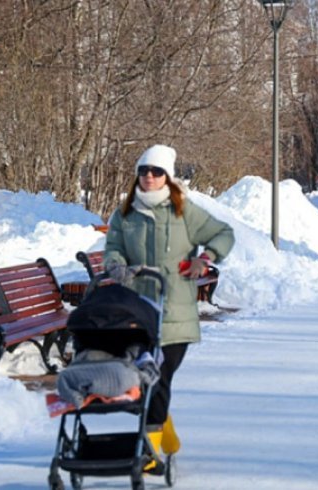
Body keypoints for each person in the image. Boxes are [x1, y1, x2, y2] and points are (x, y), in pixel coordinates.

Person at [104, 144, 235, 467]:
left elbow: (223, 234)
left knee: (160, 377)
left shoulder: (183, 211)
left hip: (175, 311)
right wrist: (117, 265)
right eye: (144, 171)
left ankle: (148, 451)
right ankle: (162, 433)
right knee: (144, 378)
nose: (149, 177)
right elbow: (113, 249)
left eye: (156, 171)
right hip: (137, 310)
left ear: (167, 177)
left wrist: (205, 259)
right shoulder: (124, 213)